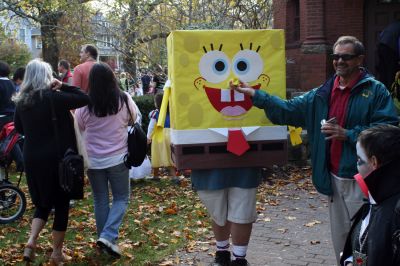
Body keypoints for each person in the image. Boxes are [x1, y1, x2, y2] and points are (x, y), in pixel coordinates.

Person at [231, 36, 399, 263]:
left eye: (346, 57)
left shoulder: (375, 91)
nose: (339, 61)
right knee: (343, 241)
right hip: (333, 179)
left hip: (362, 179)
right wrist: (255, 95)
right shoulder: (323, 92)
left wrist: (347, 134)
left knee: (366, 240)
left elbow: (388, 129)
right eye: (336, 56)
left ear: (360, 59)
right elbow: (288, 110)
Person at [14, 59, 89, 264]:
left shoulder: (22, 102)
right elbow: (84, 97)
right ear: (47, 77)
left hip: (32, 157)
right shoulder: (53, 98)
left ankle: (31, 240)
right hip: (57, 159)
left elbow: (19, 129)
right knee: (61, 203)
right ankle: (56, 253)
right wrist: (63, 84)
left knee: (43, 202)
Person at [75, 62, 138, 258]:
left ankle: (105, 239)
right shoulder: (124, 100)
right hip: (119, 158)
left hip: (93, 161)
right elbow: (133, 120)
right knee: (121, 198)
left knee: (100, 199)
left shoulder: (84, 104)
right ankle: (108, 236)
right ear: (112, 79)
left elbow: (79, 127)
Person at [340, 125, 400, 266]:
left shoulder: (395, 212)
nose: (356, 166)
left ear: (374, 162)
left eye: (359, 160)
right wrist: (351, 261)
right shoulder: (375, 200)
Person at [191, 167, 260, 265]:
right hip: (210, 164)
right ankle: (224, 255)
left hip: (244, 163)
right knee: (219, 212)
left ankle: (238, 260)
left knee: (241, 213)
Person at [0, 61, 24, 172]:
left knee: (9, 141)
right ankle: (19, 163)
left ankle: (20, 163)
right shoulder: (11, 84)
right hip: (12, 115)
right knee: (11, 141)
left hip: (2, 116)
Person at [146, 93, 175, 181]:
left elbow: (151, 126)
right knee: (169, 155)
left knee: (156, 155)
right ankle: (174, 176)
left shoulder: (155, 113)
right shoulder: (171, 111)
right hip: (170, 134)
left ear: (157, 103)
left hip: (159, 135)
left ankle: (156, 176)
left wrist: (148, 137)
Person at [375, 20, 400, 90]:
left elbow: (381, 34)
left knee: (383, 70)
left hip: (381, 45)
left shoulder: (393, 24)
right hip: (391, 47)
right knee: (391, 71)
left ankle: (382, 90)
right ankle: (391, 91)